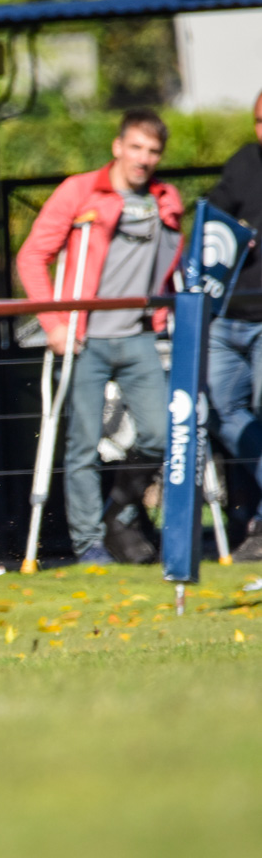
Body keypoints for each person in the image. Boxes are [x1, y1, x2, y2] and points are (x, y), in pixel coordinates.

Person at [16, 109, 183, 565]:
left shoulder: (166, 200)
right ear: (117, 146)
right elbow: (32, 257)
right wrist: (54, 324)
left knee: (163, 435)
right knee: (83, 444)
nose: (143, 159)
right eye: (135, 148)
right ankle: (88, 544)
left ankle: (117, 511)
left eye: (152, 151)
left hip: (138, 337)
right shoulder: (80, 191)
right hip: (84, 338)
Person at [205, 90, 262, 561]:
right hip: (228, 320)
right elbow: (210, 220)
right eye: (260, 121)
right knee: (225, 416)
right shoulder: (242, 163)